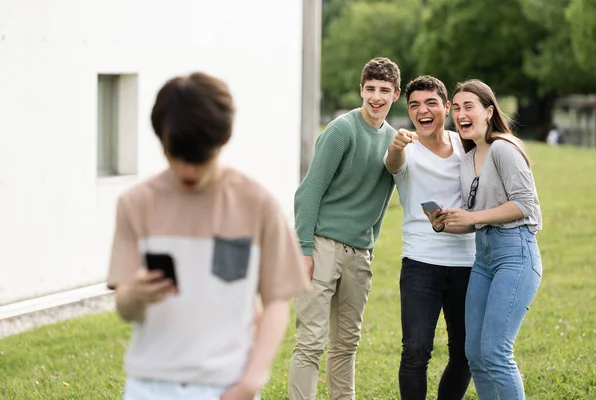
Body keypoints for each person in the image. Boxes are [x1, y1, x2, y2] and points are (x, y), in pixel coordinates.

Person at [106, 72, 309, 400]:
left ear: (222, 140)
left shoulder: (259, 205)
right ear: (162, 141)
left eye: (199, 159)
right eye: (177, 157)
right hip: (149, 387)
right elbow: (124, 308)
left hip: (227, 387)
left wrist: (250, 382)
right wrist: (136, 295)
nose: (188, 171)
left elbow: (276, 302)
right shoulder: (135, 204)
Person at [288, 57, 401, 400]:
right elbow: (308, 193)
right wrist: (304, 250)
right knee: (311, 341)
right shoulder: (342, 130)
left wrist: (369, 247)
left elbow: (381, 201)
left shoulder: (394, 141)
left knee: (346, 345)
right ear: (361, 90)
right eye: (370, 89)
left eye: (384, 90)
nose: (376, 97)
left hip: (359, 254)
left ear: (395, 94)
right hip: (322, 247)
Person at [428, 79, 543, 400]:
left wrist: (474, 218)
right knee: (475, 354)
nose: (461, 114)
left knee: (495, 352)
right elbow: (474, 218)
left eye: (469, 107)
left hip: (515, 254)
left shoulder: (504, 148)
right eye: (457, 108)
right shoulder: (466, 160)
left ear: (489, 111)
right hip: (484, 258)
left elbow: (525, 205)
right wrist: (447, 223)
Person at [384, 75, 476, 400]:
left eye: (431, 103)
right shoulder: (405, 149)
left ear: (446, 107)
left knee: (465, 353)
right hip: (421, 264)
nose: (422, 110)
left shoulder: (466, 146)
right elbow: (393, 165)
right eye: (414, 105)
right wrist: (395, 147)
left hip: (467, 262)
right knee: (416, 351)